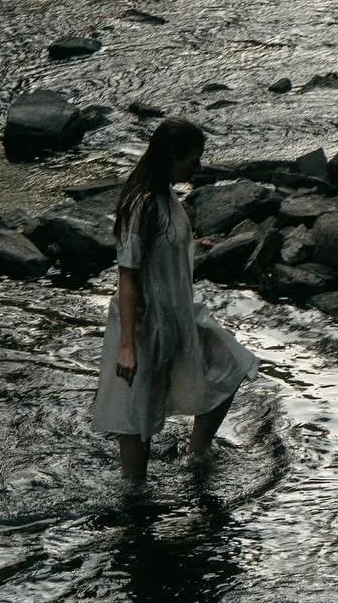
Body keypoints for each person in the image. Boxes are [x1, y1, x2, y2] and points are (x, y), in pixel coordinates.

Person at [91, 117, 258, 482]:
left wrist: (192, 247)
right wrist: (127, 347)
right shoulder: (142, 205)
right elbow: (128, 276)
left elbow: (161, 256)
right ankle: (134, 495)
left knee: (231, 364)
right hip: (145, 322)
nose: (197, 168)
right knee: (138, 417)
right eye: (192, 160)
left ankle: (196, 455)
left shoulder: (166, 196)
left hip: (179, 311)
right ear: (171, 156)